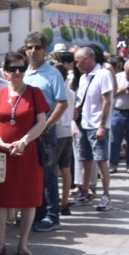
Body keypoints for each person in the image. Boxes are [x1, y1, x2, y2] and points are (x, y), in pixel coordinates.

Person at [0, 52, 49, 255]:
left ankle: (23, 244)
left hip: (28, 153)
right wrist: (0, 142)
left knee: (28, 198)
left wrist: (23, 141)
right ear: (5, 70)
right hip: (2, 153)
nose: (17, 72)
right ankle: (1, 243)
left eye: (21, 68)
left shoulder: (34, 93)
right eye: (13, 68)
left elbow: (42, 123)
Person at [22, 32, 68, 232]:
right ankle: (38, 214)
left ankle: (52, 216)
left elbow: (62, 103)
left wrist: (47, 126)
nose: (33, 51)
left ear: (45, 49)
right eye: (30, 47)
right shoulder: (24, 72)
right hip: (28, 132)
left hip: (45, 132)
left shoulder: (52, 73)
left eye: (37, 47)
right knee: (34, 173)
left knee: (48, 174)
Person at [73, 46, 114, 211]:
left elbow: (107, 101)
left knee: (101, 161)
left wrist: (102, 126)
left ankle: (106, 196)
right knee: (85, 160)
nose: (76, 65)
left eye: (77, 61)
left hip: (97, 126)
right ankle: (84, 192)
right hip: (84, 125)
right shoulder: (84, 78)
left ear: (86, 59)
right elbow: (80, 102)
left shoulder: (103, 74)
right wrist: (76, 124)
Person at [51, 63, 76, 216]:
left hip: (58, 131)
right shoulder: (71, 92)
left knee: (53, 169)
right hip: (68, 131)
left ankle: (54, 202)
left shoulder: (57, 93)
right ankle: (64, 202)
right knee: (65, 169)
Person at [111, 60, 129, 174]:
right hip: (118, 112)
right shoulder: (118, 77)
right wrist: (121, 90)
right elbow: (109, 94)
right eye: (128, 73)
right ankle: (113, 163)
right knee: (115, 140)